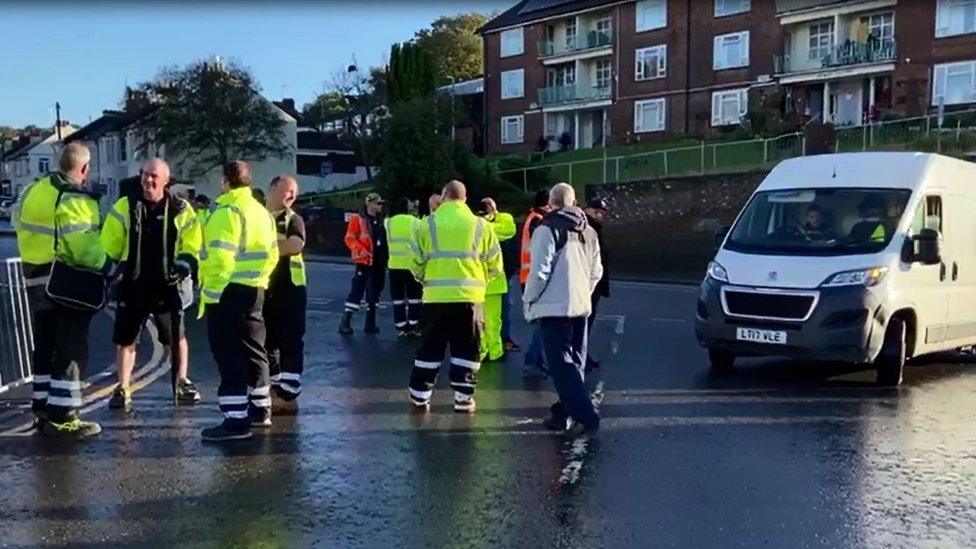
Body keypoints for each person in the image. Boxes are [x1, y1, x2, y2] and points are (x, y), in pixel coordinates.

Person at [17, 144, 113, 437]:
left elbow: (17, 222)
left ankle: (43, 408)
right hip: (64, 282)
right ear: (83, 168)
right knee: (70, 346)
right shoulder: (74, 197)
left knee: (45, 345)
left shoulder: (34, 191)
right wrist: (109, 264)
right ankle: (64, 416)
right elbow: (83, 247)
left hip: (34, 277)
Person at [101, 158, 203, 411]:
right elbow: (109, 242)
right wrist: (112, 269)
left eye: (154, 176)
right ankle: (122, 387)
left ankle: (182, 382)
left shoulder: (180, 208)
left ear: (166, 181)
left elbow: (193, 241)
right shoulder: (125, 205)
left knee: (176, 336)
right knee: (126, 338)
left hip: (168, 284)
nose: (148, 180)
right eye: (145, 175)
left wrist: (185, 263)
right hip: (134, 283)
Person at [198, 161, 278, 442]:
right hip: (255, 288)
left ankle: (235, 421)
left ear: (225, 182)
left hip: (227, 292)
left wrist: (213, 292)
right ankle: (260, 409)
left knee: (228, 353)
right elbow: (272, 255)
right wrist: (260, 281)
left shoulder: (226, 211)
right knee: (255, 349)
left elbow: (220, 258)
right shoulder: (262, 212)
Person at [407, 180, 502, 413]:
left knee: (430, 348)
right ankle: (464, 397)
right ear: (465, 198)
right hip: (470, 298)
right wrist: (479, 282)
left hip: (435, 298)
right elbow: (495, 265)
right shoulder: (482, 226)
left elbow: (415, 262)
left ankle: (420, 395)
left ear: (443, 197)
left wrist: (427, 279)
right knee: (467, 350)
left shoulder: (426, 225)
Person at [524, 183, 603, 438]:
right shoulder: (588, 231)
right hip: (581, 306)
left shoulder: (547, 228)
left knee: (560, 366)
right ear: (574, 202)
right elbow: (596, 272)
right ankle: (562, 414)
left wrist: (530, 300)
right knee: (575, 364)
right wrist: (583, 293)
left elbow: (539, 272)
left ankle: (587, 417)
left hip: (555, 308)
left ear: (551, 203)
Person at [264, 175, 307, 414]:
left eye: (295, 192)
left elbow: (295, 245)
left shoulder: (294, 219)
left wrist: (263, 248)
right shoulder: (259, 217)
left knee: (291, 339)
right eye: (288, 191)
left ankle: (289, 390)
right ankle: (273, 384)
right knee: (266, 340)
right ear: (273, 189)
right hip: (265, 288)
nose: (292, 196)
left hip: (291, 289)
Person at [339, 192, 387, 335]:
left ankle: (370, 324)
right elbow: (349, 238)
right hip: (364, 261)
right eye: (378, 204)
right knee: (357, 292)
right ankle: (345, 322)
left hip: (378, 262)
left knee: (374, 294)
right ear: (370, 204)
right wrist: (361, 250)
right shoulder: (358, 219)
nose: (380, 206)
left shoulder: (381, 219)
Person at [479, 197, 516, 362]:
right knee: (492, 319)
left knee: (483, 320)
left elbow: (509, 229)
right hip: (494, 280)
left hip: (478, 281)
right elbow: (507, 231)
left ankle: (485, 351)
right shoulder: (491, 228)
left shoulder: (475, 227)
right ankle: (493, 351)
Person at [520, 188, 551, 380]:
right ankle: (532, 362)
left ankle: (537, 361)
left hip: (528, 275)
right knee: (542, 323)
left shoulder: (533, 217)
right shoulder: (539, 221)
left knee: (541, 322)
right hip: (534, 276)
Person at [385, 198, 423, 338]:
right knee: (414, 298)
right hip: (411, 266)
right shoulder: (416, 222)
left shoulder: (388, 222)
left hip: (394, 266)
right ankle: (414, 326)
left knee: (398, 299)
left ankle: (401, 326)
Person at [583, 197, 610, 372]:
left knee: (586, 323)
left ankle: (583, 355)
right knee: (584, 323)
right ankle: (581, 357)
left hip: (594, 283)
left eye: (603, 212)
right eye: (598, 211)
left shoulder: (594, 227)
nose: (601, 215)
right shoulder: (587, 227)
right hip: (588, 284)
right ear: (589, 210)